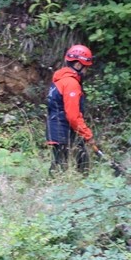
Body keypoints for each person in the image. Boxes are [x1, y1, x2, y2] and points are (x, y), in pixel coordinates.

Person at [46, 44, 98, 172]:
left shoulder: (60, 80)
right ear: (79, 65)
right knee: (61, 167)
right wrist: (87, 135)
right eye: (86, 67)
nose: (86, 71)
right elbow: (73, 116)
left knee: (81, 161)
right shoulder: (71, 83)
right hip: (62, 130)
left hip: (61, 129)